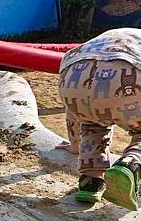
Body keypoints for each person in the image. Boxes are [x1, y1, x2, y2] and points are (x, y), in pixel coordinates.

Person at [56, 28, 141, 210]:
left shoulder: (122, 34)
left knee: (92, 121)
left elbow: (74, 114)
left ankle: (90, 181)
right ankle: (131, 164)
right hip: (126, 71)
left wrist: (74, 145)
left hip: (73, 73)